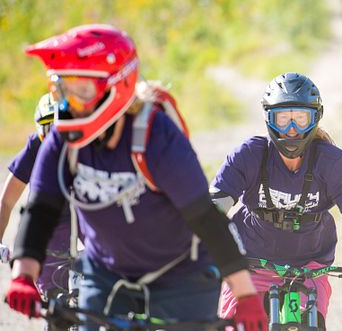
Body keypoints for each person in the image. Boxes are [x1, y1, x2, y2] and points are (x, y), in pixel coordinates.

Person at [3, 24, 266, 331]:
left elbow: (206, 217)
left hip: (180, 274)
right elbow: (41, 211)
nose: (70, 103)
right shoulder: (63, 141)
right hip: (106, 273)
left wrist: (245, 294)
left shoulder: (157, 139)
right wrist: (23, 275)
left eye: (83, 90)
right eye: (62, 88)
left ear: (118, 85)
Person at [211, 72, 342, 328]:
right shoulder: (248, 156)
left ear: (316, 118)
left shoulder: (335, 164)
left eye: (300, 118)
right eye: (283, 119)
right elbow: (211, 212)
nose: (292, 130)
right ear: (268, 118)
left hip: (309, 269)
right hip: (250, 267)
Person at [0, 94, 77, 301]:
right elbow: (6, 201)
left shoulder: (88, 144)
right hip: (51, 220)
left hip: (86, 216)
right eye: (48, 128)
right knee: (53, 298)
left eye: (64, 126)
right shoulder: (36, 146)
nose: (57, 137)